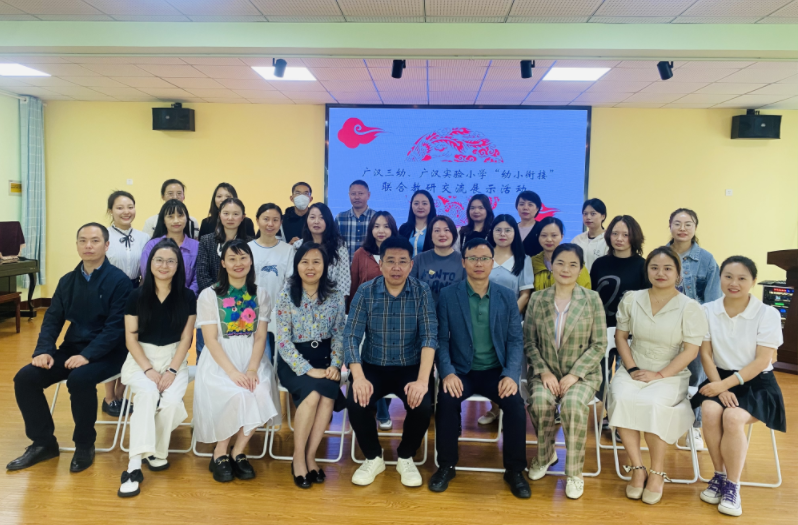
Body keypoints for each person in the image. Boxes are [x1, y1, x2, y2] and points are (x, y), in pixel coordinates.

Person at [8, 223, 132, 473]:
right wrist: (43, 350)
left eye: (95, 241)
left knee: (79, 379)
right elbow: (52, 319)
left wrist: (87, 355)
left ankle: (84, 444)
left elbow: (115, 329)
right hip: (72, 349)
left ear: (107, 245)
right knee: (26, 378)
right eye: (82, 240)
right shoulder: (67, 281)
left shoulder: (120, 282)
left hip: (110, 353)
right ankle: (43, 443)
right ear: (77, 245)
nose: (88, 245)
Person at [608, 246, 708, 505]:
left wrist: (660, 374)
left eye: (667, 268)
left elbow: (691, 351)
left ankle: (657, 472)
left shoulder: (690, 307)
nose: (660, 273)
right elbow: (621, 337)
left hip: (670, 373)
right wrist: (631, 368)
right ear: (647, 271)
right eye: (654, 267)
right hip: (634, 367)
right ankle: (637, 468)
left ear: (678, 274)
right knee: (621, 398)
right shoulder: (632, 299)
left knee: (653, 404)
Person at [431, 238, 529, 498]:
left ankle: (514, 470)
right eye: (472, 258)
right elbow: (441, 340)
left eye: (484, 258)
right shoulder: (449, 295)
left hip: (496, 371)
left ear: (492, 262)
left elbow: (515, 340)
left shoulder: (506, 296)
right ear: (463, 262)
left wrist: (510, 375)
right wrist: (447, 372)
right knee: (446, 401)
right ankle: (446, 465)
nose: (478, 263)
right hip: (461, 371)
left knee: (515, 406)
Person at [691, 256, 785, 517]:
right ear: (720, 278)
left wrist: (725, 386)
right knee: (710, 411)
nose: (734, 283)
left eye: (742, 278)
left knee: (732, 417)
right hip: (718, 377)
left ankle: (733, 486)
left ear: (753, 281)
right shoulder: (707, 310)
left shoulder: (767, 313)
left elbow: (763, 361)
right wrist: (719, 387)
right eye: (728, 277)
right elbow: (706, 354)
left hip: (757, 383)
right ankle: (719, 475)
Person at [344, 237, 437, 488]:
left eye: (403, 262)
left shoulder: (421, 291)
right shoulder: (366, 291)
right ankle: (374, 457)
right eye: (391, 261)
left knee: (422, 405)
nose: (396, 267)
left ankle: (406, 456)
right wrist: (358, 377)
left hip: (410, 366)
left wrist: (422, 381)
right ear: (380, 264)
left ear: (411, 265)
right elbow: (351, 336)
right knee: (356, 401)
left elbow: (429, 336)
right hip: (373, 365)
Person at [193, 240, 281, 483]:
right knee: (237, 394)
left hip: (252, 358)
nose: (238, 263)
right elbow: (210, 339)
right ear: (223, 263)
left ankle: (238, 451)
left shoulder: (260, 294)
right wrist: (233, 372)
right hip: (220, 360)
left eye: (243, 257)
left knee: (260, 391)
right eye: (232, 259)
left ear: (251, 261)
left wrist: (252, 369)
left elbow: (260, 336)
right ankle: (220, 453)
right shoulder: (209, 295)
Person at [525, 244, 607, 500]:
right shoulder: (538, 299)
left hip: (581, 374)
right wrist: (543, 372)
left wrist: (574, 375)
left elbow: (599, 344)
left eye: (573, 264)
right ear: (551, 265)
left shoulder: (592, 299)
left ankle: (574, 472)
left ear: (580, 269)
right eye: (560, 263)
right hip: (546, 371)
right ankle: (545, 455)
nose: (566, 269)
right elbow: (529, 342)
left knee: (572, 405)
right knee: (540, 401)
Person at [118, 238, 196, 497]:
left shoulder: (187, 296)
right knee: (148, 394)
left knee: (172, 404)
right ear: (150, 263)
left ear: (178, 265)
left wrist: (172, 370)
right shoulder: (136, 295)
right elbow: (131, 338)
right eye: (159, 260)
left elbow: (186, 338)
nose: (164, 265)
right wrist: (149, 370)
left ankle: (155, 452)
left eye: (171, 261)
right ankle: (133, 466)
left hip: (175, 359)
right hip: (142, 358)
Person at [275, 242, 347, 489]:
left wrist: (335, 365)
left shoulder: (335, 295)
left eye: (316, 262)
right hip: (293, 361)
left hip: (325, 360)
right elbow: (283, 342)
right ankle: (298, 458)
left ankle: (310, 456)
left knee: (327, 397)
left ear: (325, 266)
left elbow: (339, 334)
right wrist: (306, 369)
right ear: (297, 265)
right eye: (304, 261)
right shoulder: (286, 295)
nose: (310, 267)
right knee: (314, 394)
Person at [668, 208, 722, 448]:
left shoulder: (706, 259)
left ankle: (695, 427)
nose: (682, 228)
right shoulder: (661, 255)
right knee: (668, 377)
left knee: (696, 379)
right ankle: (669, 422)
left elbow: (712, 300)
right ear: (670, 226)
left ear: (695, 227)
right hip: (665, 328)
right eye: (677, 223)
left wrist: (705, 333)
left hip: (696, 330)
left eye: (688, 224)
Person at [478, 214, 534, 426]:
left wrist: (508, 317)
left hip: (511, 323)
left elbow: (525, 294)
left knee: (510, 366)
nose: (503, 234)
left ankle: (510, 410)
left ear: (514, 233)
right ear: (491, 232)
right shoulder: (483, 256)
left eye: (508, 230)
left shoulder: (523, 260)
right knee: (489, 366)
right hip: (482, 322)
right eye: (498, 230)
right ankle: (494, 409)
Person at [590, 215, 649, 401]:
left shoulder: (643, 265)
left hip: (631, 333)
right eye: (615, 233)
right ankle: (606, 410)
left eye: (625, 234)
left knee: (628, 381)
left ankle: (619, 413)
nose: (619, 238)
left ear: (634, 236)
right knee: (599, 381)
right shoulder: (599, 264)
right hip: (601, 331)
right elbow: (592, 297)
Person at [348, 211, 398, 431]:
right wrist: (351, 313)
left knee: (387, 366)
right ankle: (383, 412)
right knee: (371, 364)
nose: (381, 230)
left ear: (392, 229)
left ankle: (380, 406)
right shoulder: (361, 253)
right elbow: (354, 284)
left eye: (386, 226)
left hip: (394, 319)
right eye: (377, 226)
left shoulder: (398, 253)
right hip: (366, 317)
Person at [104, 191, 150, 417]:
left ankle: (121, 395)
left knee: (131, 343)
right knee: (111, 343)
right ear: (110, 211)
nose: (126, 212)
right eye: (120, 207)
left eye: (130, 206)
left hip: (136, 293)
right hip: (109, 293)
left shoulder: (144, 237)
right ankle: (108, 397)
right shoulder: (103, 237)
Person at [196, 198, 251, 357]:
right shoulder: (207, 240)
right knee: (206, 349)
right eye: (226, 213)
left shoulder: (249, 243)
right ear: (219, 215)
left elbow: (250, 275)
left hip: (240, 306)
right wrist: (220, 297)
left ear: (243, 217)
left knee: (238, 352)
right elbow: (202, 274)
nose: (230, 218)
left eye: (236, 214)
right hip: (211, 303)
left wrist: (233, 299)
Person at [248, 203, 294, 362]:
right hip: (252, 313)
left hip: (280, 314)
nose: (270, 224)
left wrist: (279, 309)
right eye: (266, 219)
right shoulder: (247, 249)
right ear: (257, 220)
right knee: (259, 359)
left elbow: (290, 282)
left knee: (278, 361)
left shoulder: (288, 250)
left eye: (275, 220)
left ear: (280, 222)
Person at [140, 200, 199, 296]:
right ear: (163, 220)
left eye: (180, 216)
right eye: (170, 216)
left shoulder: (197, 246)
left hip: (187, 299)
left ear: (187, 218)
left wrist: (188, 297)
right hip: (155, 298)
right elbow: (147, 274)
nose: (176, 220)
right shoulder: (151, 245)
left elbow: (198, 278)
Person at [293, 203, 350, 298]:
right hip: (302, 300)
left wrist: (338, 304)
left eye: (321, 218)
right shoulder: (298, 246)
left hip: (331, 300)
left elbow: (344, 283)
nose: (316, 222)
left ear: (328, 221)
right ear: (307, 220)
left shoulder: (339, 247)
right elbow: (293, 277)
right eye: (312, 217)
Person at [409, 215, 466, 305]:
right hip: (424, 310)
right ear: (430, 235)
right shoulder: (419, 259)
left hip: (453, 311)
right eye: (437, 230)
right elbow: (410, 289)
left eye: (446, 230)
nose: (442, 234)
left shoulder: (463, 261)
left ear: (453, 234)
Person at [532, 217, 591, 291]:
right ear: (538, 237)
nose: (549, 239)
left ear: (561, 237)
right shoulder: (533, 262)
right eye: (544, 235)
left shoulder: (574, 260)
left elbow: (585, 289)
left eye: (554, 235)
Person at [335, 180, 375, 264]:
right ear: (349, 195)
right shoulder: (340, 218)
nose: (357, 197)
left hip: (370, 267)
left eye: (360, 193)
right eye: (353, 194)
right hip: (345, 268)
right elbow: (334, 244)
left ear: (368, 195)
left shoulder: (376, 217)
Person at [571, 198, 609, 272]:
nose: (588, 217)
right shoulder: (577, 240)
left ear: (603, 216)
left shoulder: (608, 240)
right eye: (585, 214)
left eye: (593, 214)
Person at [398, 189, 437, 257]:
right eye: (416, 203)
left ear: (431, 205)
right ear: (411, 205)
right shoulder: (404, 229)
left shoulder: (436, 229)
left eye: (424, 203)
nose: (420, 207)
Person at [516, 190, 544, 257]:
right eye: (521, 204)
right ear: (517, 207)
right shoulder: (512, 228)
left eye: (530, 204)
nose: (525, 208)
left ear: (537, 208)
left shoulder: (542, 228)